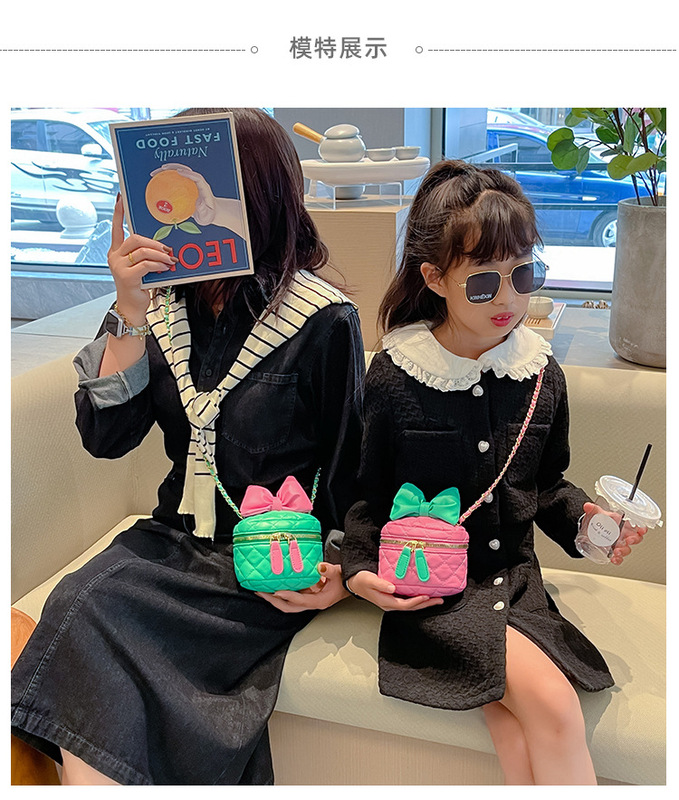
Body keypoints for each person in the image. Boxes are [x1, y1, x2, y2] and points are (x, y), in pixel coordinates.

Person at [11, 108, 365, 786]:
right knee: (81, 602)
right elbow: (106, 437)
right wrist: (127, 308)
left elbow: (353, 463)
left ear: (251, 198)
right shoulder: (159, 307)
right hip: (173, 541)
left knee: (96, 617)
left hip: (268, 555)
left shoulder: (321, 320)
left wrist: (342, 573)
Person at [340, 159, 646, 786]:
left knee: (513, 728)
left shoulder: (540, 373)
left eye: (523, 274)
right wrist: (360, 571)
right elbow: (366, 496)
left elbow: (547, 486)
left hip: (519, 587)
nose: (508, 299)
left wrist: (590, 523)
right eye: (483, 282)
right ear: (435, 278)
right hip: (431, 591)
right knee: (554, 708)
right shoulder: (396, 376)